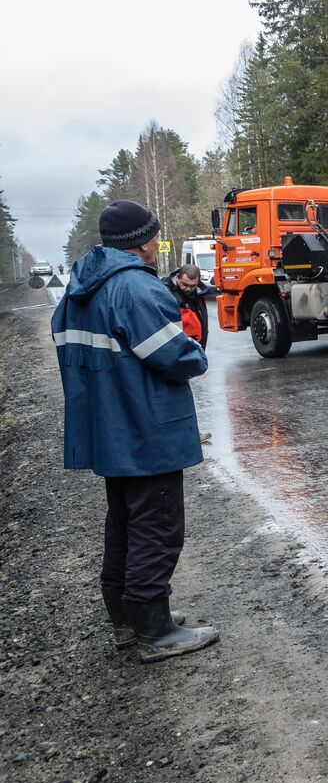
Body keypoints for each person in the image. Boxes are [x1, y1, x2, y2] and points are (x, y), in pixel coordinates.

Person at [51, 200, 220, 663]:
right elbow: (174, 355)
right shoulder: (134, 288)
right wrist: (196, 352)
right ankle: (154, 628)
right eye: (153, 236)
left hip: (109, 425)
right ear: (144, 241)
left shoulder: (80, 287)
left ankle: (126, 617)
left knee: (124, 521)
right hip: (147, 427)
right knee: (159, 524)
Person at [165, 264, 215, 444]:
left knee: (181, 394)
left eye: (192, 286)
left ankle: (187, 432)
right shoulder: (166, 294)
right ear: (178, 277)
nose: (187, 289)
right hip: (174, 353)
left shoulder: (199, 294)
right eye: (185, 284)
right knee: (175, 395)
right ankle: (186, 434)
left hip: (191, 350)